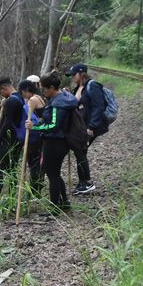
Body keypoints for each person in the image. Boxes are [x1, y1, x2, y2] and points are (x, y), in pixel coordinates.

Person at [25, 71, 77, 212]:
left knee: (52, 175)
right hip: (59, 141)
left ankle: (54, 207)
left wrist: (35, 126)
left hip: (54, 142)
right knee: (55, 173)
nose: (43, 91)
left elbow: (54, 125)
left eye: (45, 88)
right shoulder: (63, 97)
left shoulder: (57, 104)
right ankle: (64, 203)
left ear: (53, 87)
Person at [65, 63, 108, 194]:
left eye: (74, 74)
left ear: (81, 73)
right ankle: (83, 183)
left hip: (88, 126)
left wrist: (92, 126)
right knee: (80, 151)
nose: (72, 77)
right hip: (80, 126)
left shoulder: (92, 86)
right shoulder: (79, 87)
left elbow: (99, 107)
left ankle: (86, 183)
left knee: (80, 151)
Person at [0, 77, 25, 216]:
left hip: (7, 141)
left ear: (4, 88)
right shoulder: (19, 97)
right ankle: (12, 202)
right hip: (17, 141)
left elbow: (6, 124)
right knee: (12, 170)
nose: (0, 94)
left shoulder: (11, 102)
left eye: (0, 92)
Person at [18, 79, 46, 196]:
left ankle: (34, 190)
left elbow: (28, 116)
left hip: (35, 135)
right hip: (41, 134)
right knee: (37, 162)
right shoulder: (39, 97)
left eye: (22, 92)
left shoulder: (32, 100)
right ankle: (36, 187)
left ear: (26, 91)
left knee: (33, 163)